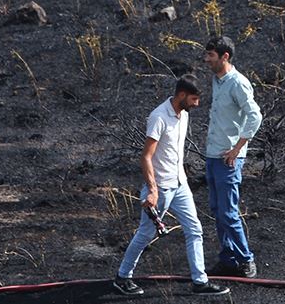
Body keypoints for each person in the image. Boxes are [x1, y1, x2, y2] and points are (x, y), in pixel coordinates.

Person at [113, 75, 229, 297]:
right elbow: (146, 157)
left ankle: (200, 281)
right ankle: (123, 276)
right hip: (161, 187)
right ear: (182, 95)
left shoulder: (183, 115)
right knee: (146, 234)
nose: (197, 104)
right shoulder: (158, 117)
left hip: (180, 184)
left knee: (195, 228)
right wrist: (153, 190)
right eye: (194, 99)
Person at [203, 35, 263, 279]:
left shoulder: (237, 83)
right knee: (217, 210)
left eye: (210, 55)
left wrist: (238, 148)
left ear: (224, 56)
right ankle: (228, 258)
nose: (206, 59)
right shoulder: (217, 80)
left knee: (228, 211)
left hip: (228, 158)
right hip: (213, 155)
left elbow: (255, 115)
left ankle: (246, 259)